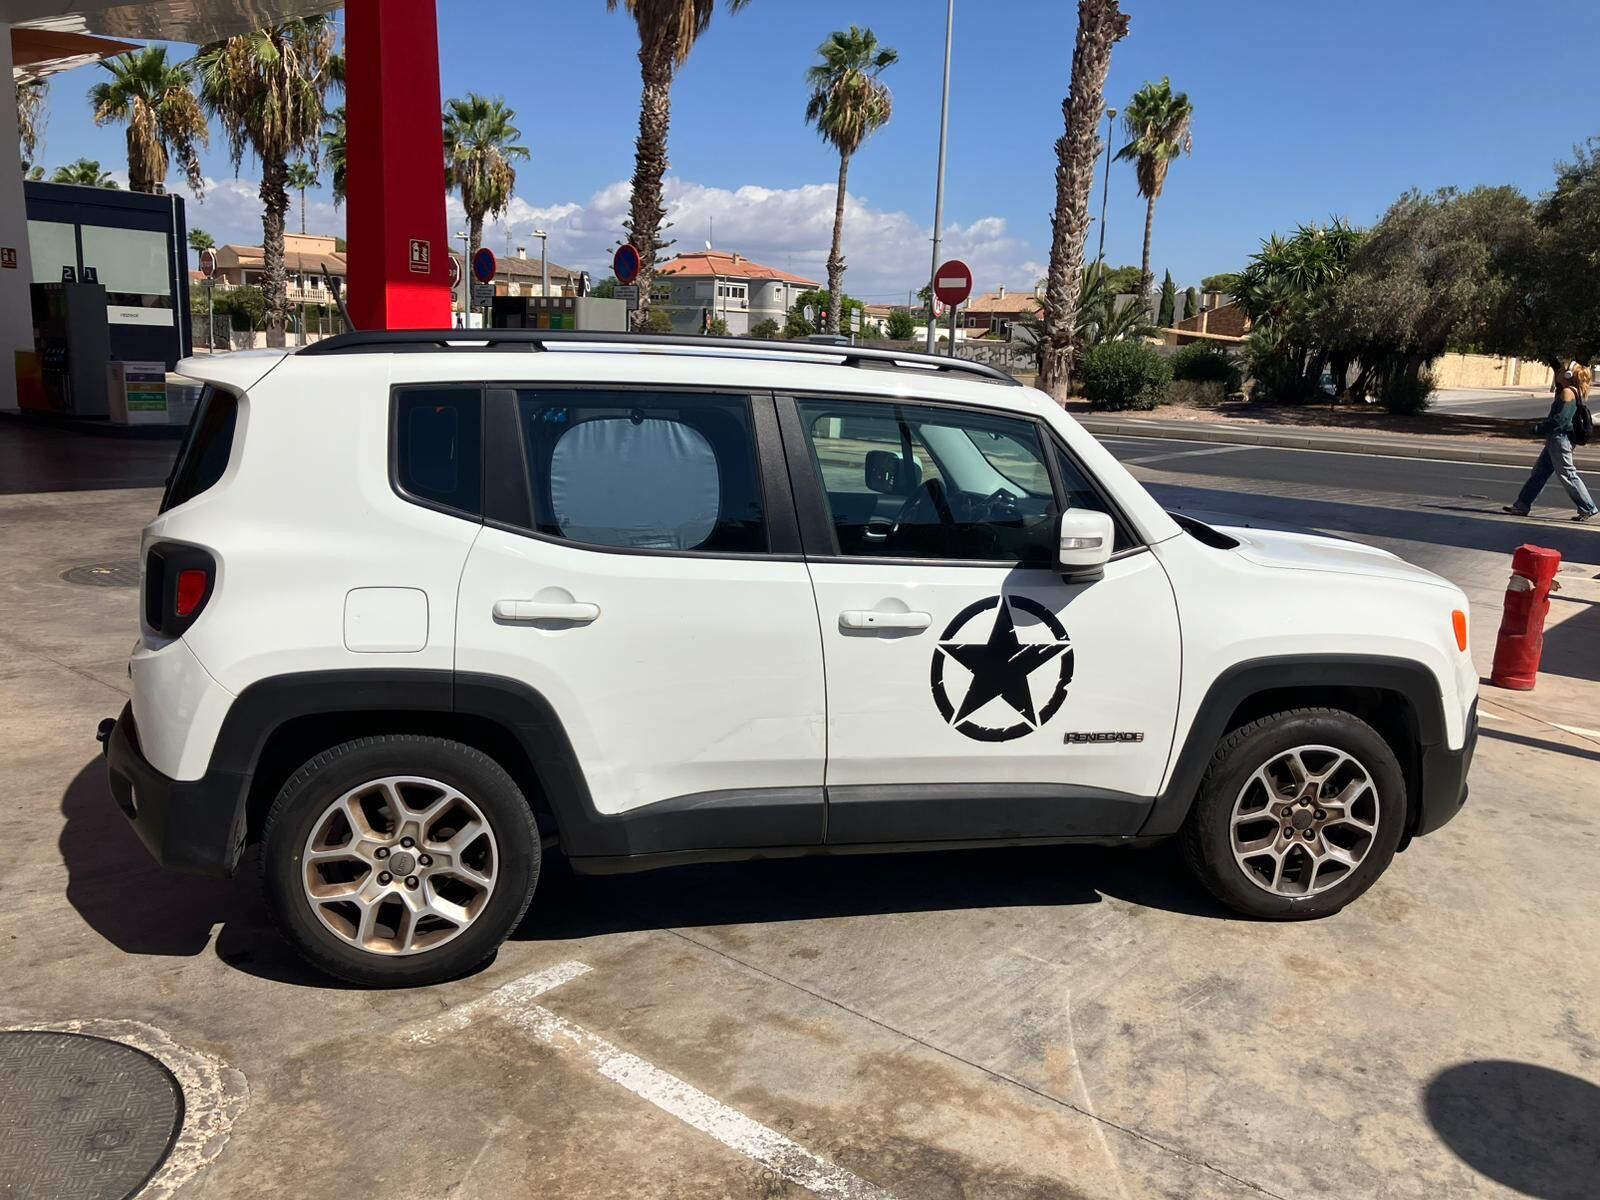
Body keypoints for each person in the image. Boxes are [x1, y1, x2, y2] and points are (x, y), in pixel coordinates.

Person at [1503, 362, 1598, 523]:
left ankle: (1588, 507)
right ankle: (1521, 505)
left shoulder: (1568, 392)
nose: (1559, 373)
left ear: (1568, 375)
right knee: (1539, 473)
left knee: (1567, 474)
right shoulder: (1572, 391)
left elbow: (1560, 420)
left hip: (1559, 439)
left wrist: (1537, 429)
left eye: (1562, 371)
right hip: (1557, 439)